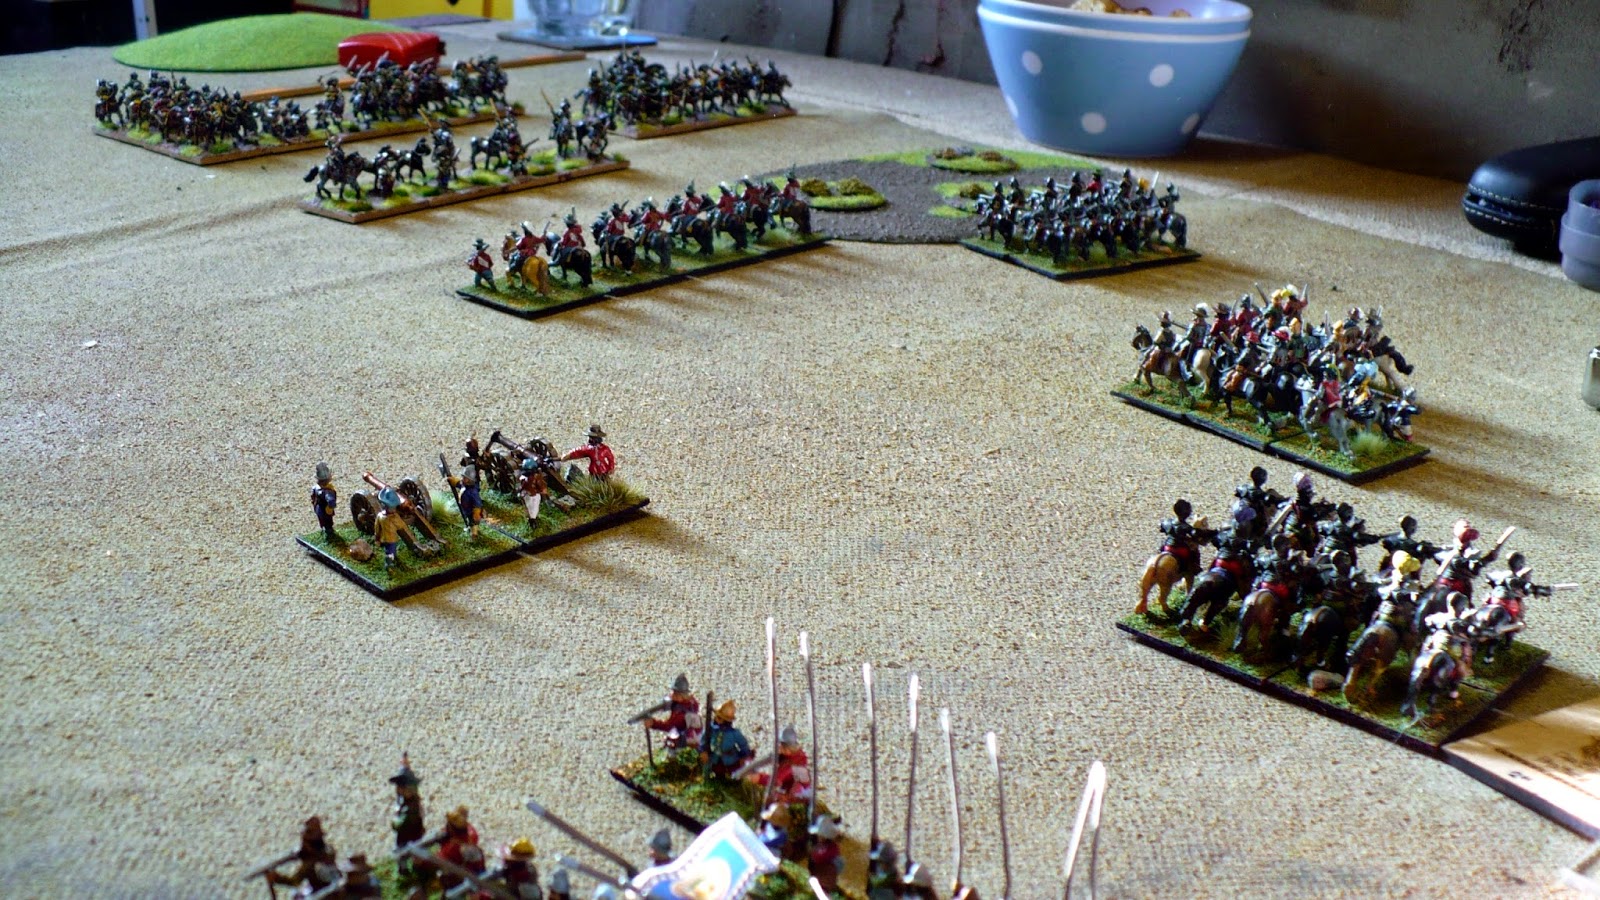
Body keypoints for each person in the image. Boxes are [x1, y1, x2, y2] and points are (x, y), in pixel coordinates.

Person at [390, 755, 425, 878]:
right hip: (405, 835)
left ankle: (417, 872)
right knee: (402, 854)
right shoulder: (403, 802)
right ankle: (404, 871)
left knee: (413, 853)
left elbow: (401, 823)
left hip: (412, 833)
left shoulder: (412, 806)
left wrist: (395, 822)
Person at [312, 463, 339, 542]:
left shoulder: (315, 488)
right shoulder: (327, 492)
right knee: (328, 523)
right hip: (325, 511)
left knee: (322, 521)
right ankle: (329, 536)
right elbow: (331, 501)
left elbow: (312, 496)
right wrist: (330, 508)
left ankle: (325, 530)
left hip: (318, 508)